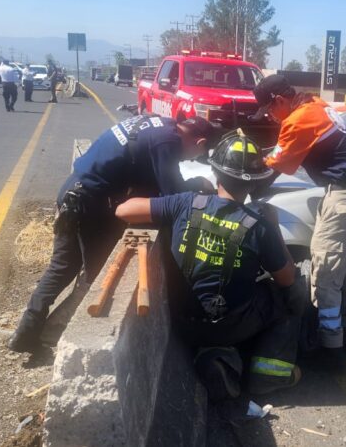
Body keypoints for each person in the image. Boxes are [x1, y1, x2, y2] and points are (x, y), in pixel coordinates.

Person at [115, 130, 305, 399]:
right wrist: (273, 226)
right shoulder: (258, 225)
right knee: (290, 294)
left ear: (215, 173)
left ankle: (219, 358)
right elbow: (286, 278)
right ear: (252, 184)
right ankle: (269, 373)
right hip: (229, 324)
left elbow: (124, 210)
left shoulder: (185, 203)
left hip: (183, 322)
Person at [7, 115, 220, 352]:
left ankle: (26, 331)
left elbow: (145, 175)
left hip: (71, 192)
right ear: (200, 143)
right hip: (88, 205)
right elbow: (172, 192)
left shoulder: (156, 123)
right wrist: (198, 182)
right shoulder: (166, 141)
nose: (188, 159)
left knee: (61, 268)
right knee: (95, 274)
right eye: (196, 155)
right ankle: (54, 334)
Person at [250, 74, 346, 370]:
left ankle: (331, 350)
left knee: (324, 275)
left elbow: (280, 163)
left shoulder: (298, 119)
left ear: (279, 100)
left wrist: (251, 171)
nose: (271, 118)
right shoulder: (317, 105)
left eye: (270, 110)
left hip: (342, 200)